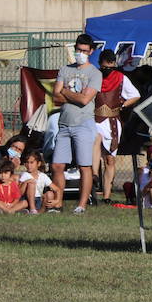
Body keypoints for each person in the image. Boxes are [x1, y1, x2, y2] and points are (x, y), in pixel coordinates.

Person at [51, 33, 101, 214]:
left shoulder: (95, 74)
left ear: (91, 51)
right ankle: (57, 203)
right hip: (64, 123)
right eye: (78, 50)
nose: (80, 53)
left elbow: (85, 100)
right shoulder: (65, 69)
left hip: (84, 123)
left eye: (84, 51)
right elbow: (55, 96)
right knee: (57, 165)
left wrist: (65, 91)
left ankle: (81, 205)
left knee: (84, 166)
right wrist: (72, 95)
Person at [93, 49, 140, 204]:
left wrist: (123, 105)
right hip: (95, 120)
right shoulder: (94, 77)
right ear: (100, 64)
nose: (107, 69)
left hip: (112, 122)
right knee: (95, 144)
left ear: (114, 64)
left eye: (110, 66)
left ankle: (107, 196)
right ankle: (92, 183)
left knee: (110, 160)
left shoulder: (121, 78)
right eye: (104, 66)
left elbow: (135, 95)